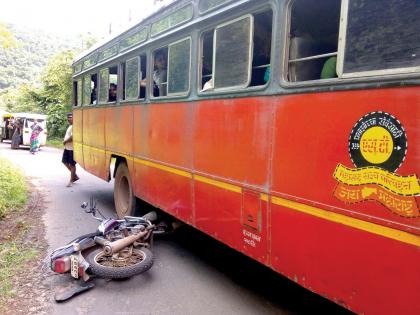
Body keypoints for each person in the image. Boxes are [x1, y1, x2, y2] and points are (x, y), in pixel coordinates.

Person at [62, 113, 79, 187]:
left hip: (72, 148)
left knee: (72, 164)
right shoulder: (70, 126)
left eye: (70, 117)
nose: (69, 119)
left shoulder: (75, 126)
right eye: (68, 117)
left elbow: (73, 136)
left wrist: (65, 141)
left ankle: (71, 180)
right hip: (67, 148)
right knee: (64, 161)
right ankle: (75, 176)